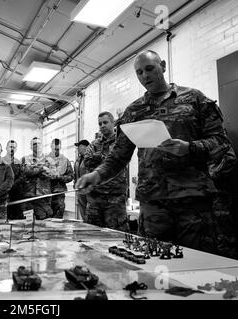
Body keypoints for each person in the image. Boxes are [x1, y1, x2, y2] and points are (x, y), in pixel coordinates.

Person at [76, 50, 232, 253]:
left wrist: (190, 148)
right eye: (139, 72)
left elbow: (220, 142)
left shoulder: (195, 99)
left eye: (149, 69)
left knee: (197, 265)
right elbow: (118, 156)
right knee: (156, 267)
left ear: (163, 66)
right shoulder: (134, 111)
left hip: (194, 202)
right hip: (153, 205)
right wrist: (97, 175)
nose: (145, 76)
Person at [83, 111, 129, 231]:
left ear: (113, 123)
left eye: (105, 122)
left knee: (117, 233)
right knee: (92, 231)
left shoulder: (121, 142)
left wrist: (100, 158)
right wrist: (103, 157)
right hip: (95, 197)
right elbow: (87, 161)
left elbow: (120, 160)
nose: (102, 126)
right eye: (100, 124)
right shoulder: (94, 144)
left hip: (115, 197)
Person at [209, 143, 237, 259]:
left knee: (224, 241)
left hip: (217, 197)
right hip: (196, 198)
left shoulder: (214, 134)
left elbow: (229, 158)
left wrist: (208, 174)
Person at [21, 137, 54, 220]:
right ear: (31, 147)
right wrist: (42, 168)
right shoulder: (25, 159)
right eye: (34, 144)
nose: (37, 145)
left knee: (43, 220)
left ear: (42, 145)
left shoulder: (49, 159)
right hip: (28, 195)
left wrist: (34, 169)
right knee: (28, 221)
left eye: (39, 143)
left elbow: (53, 174)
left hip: (43, 195)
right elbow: (27, 171)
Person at [48, 138, 73, 218]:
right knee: (45, 219)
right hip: (45, 194)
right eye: (54, 149)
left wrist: (60, 177)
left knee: (58, 217)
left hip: (59, 194)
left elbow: (71, 176)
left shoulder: (65, 160)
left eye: (57, 149)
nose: (55, 151)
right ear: (50, 147)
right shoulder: (44, 160)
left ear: (60, 148)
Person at [2, 140, 24, 219]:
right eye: (10, 147)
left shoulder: (18, 162)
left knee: (17, 217)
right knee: (4, 216)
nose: (12, 149)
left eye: (14, 147)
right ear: (6, 148)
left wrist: (12, 185)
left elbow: (22, 176)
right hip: (3, 194)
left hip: (16, 193)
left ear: (16, 149)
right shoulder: (0, 161)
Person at [74, 139, 90, 222]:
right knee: (82, 209)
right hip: (80, 190)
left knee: (90, 210)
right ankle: (85, 222)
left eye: (79, 146)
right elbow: (75, 174)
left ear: (85, 147)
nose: (78, 149)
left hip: (88, 189)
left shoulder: (91, 158)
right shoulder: (78, 159)